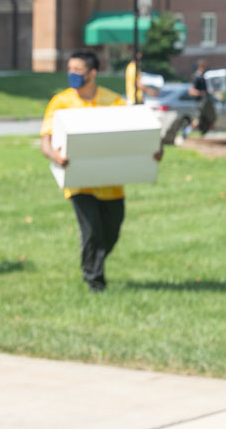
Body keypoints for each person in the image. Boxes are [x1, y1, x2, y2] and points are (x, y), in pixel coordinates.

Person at [40, 50, 163, 293]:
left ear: (93, 73)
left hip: (111, 183)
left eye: (78, 71)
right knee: (92, 230)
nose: (72, 75)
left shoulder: (113, 101)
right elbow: (46, 141)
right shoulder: (61, 102)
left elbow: (132, 134)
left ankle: (91, 259)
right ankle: (95, 281)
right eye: (70, 70)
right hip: (79, 182)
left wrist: (152, 150)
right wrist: (56, 156)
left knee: (111, 233)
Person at [184, 59, 215, 137]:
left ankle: (209, 134)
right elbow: (191, 91)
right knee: (198, 119)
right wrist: (201, 93)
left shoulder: (205, 77)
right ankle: (185, 132)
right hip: (200, 102)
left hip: (206, 101)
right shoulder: (197, 77)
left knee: (210, 118)